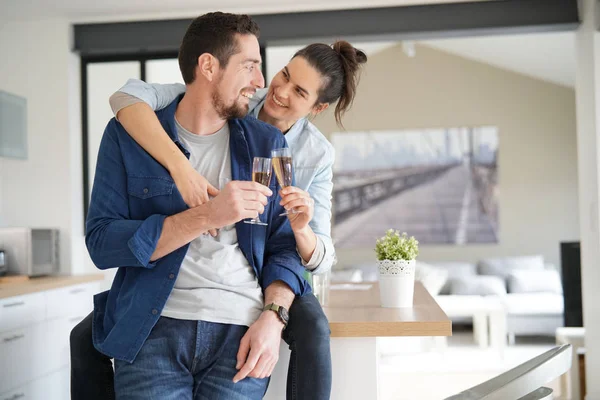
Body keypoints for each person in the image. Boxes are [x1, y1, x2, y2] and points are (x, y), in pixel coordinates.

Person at [70, 36, 367, 400]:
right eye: (283, 74)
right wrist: (182, 170)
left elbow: (306, 250)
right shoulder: (234, 98)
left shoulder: (312, 153)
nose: (274, 87)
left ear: (316, 108)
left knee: (314, 328)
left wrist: (275, 307)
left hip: (266, 270)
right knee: (88, 334)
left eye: (299, 91)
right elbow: (127, 98)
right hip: (163, 301)